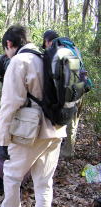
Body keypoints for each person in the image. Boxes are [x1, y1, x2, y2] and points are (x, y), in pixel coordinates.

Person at [0, 25, 66, 207]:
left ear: (9, 44)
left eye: (6, 49)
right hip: (56, 129)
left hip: (31, 131)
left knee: (11, 174)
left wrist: (2, 140)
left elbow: (9, 104)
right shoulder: (45, 57)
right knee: (44, 183)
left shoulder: (19, 61)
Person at [42, 29, 82, 159]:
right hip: (79, 89)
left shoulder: (55, 51)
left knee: (65, 121)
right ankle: (69, 149)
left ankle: (63, 152)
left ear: (47, 41)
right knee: (73, 121)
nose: (46, 47)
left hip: (65, 93)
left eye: (45, 44)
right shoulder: (73, 47)